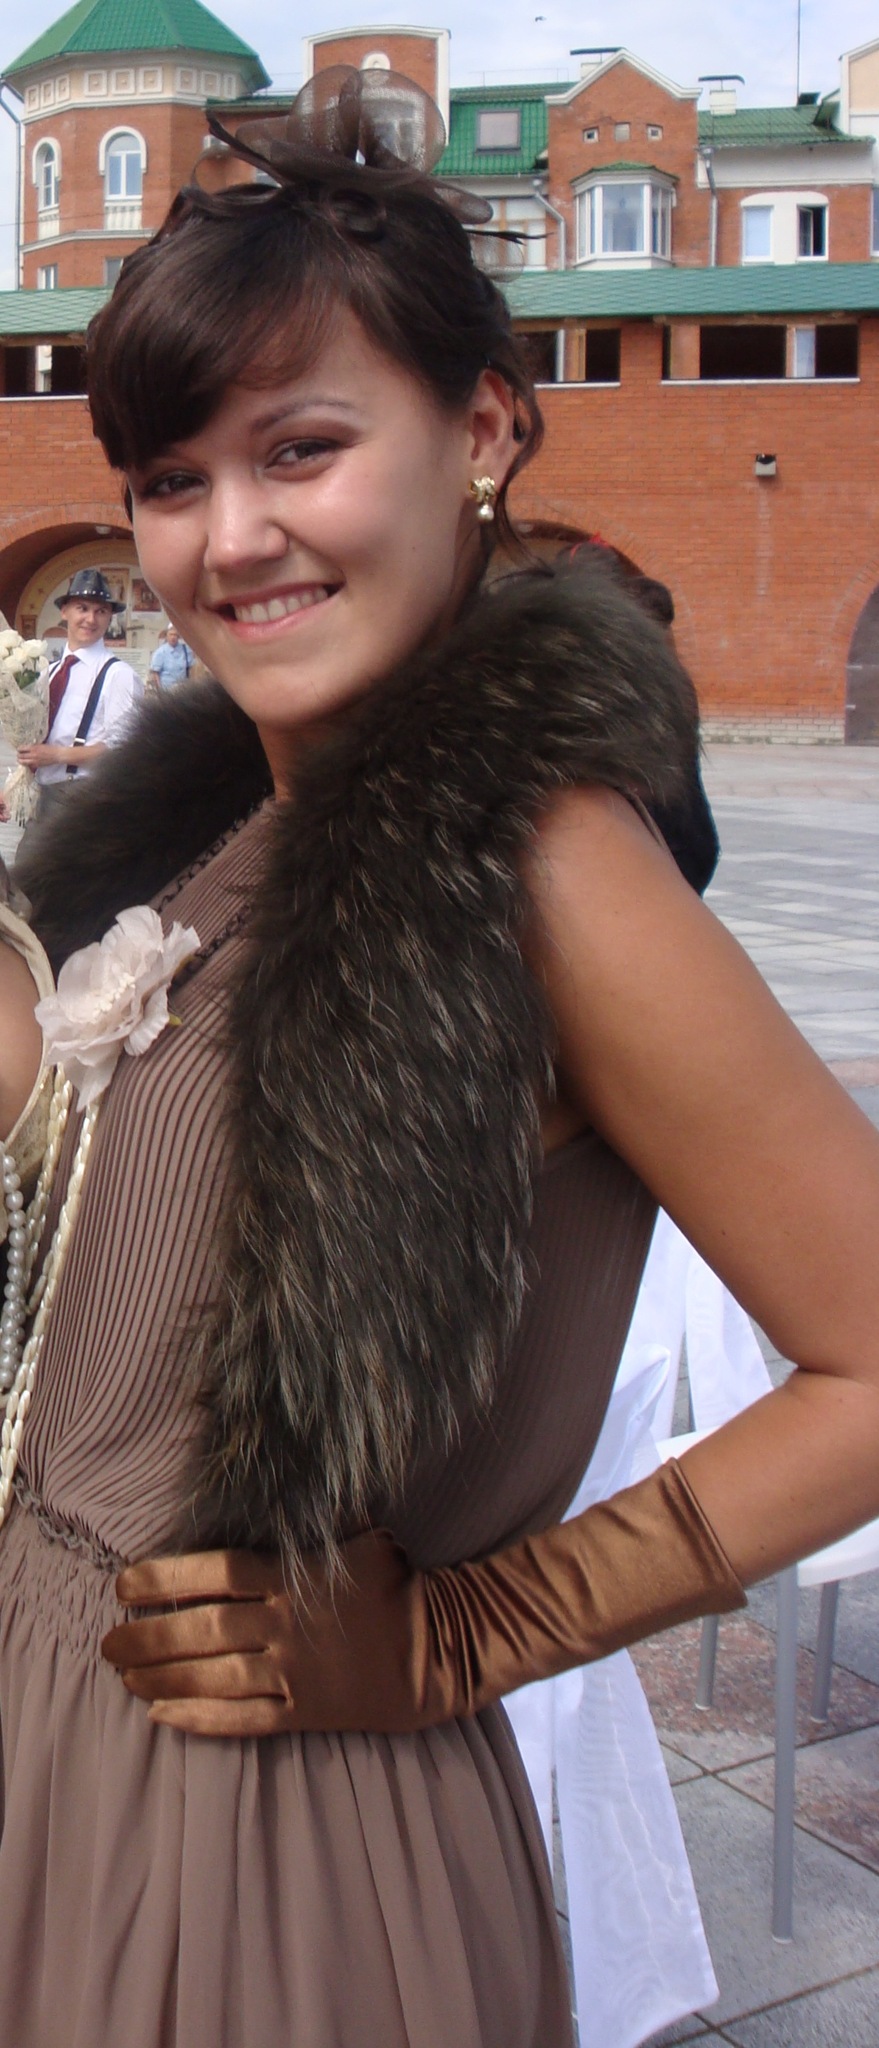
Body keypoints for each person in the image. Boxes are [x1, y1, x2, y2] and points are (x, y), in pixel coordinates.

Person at [1, 66, 879, 2048]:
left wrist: (470, 1629)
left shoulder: (541, 862)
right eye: (168, 480)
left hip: (265, 1837)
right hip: (57, 1737)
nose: (230, 538)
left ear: (478, 431)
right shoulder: (210, 833)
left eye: (300, 449)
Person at [15, 570, 142, 821]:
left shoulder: (119, 675)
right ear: (65, 612)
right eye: (82, 608)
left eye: (101, 611)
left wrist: (57, 755)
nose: (91, 619)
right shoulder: (49, 672)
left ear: (110, 617)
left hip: (84, 795)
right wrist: (13, 787)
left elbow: (124, 749)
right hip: (42, 793)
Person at [148, 622, 195, 691]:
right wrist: (159, 691)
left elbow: (191, 669)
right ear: (167, 636)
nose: (173, 637)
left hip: (183, 689)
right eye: (171, 634)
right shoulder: (160, 652)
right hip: (167, 690)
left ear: (178, 636)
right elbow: (155, 674)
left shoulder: (185, 650)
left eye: (175, 635)